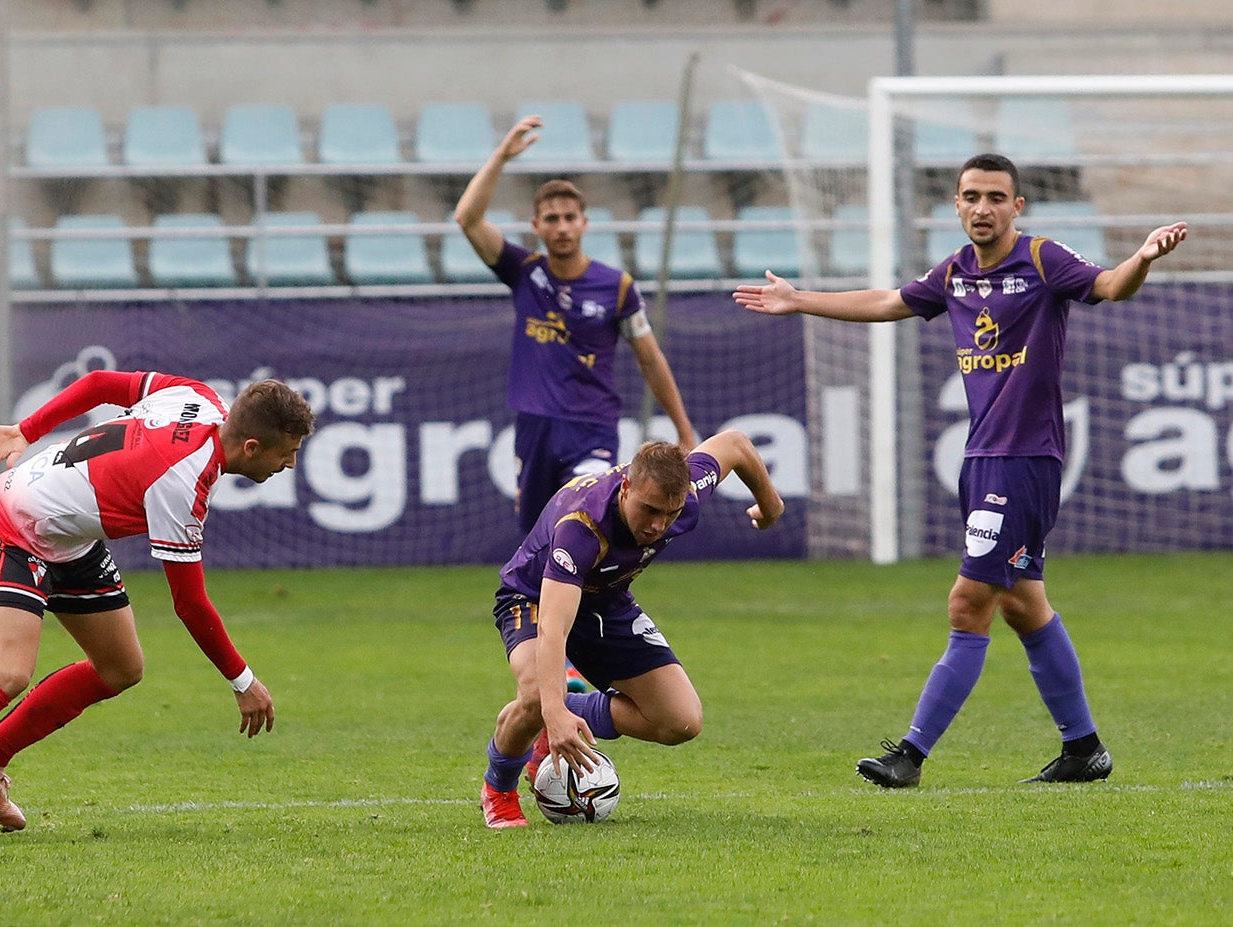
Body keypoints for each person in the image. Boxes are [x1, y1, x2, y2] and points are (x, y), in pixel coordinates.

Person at [733, 153, 1187, 787]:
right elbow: (888, 300)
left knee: (968, 600)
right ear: (956, 204)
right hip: (981, 459)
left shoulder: (1041, 259)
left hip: (1024, 459)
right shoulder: (952, 273)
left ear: (1017, 206)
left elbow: (1110, 286)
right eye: (971, 196)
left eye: (996, 197)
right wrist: (799, 299)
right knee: (1024, 606)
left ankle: (910, 756)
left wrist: (1141, 258)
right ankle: (1083, 748)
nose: (982, 208)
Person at [0, 370, 316, 847]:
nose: (291, 464)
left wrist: (26, 431)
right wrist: (243, 681)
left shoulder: (197, 397)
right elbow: (190, 605)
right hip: (17, 521)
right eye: (288, 452)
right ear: (252, 448)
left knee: (121, 668)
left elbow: (98, 384)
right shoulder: (181, 480)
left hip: (73, 537)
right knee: (8, 671)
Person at [478, 431, 785, 827]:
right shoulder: (583, 526)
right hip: (534, 598)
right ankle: (498, 789)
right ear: (625, 487)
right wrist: (550, 709)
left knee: (681, 721)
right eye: (649, 509)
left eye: (670, 513)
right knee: (538, 691)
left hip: (606, 602)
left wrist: (770, 505)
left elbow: (736, 445)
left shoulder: (687, 491)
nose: (658, 525)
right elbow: (554, 628)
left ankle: (563, 712)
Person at [455, 114, 699, 535]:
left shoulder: (617, 287)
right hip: (535, 428)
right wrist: (501, 156)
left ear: (585, 222)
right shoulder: (524, 272)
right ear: (537, 227)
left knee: (586, 519)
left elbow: (650, 359)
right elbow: (467, 219)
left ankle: (605, 601)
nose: (562, 226)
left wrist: (683, 429)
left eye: (570, 217)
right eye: (551, 219)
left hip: (591, 427)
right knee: (538, 541)